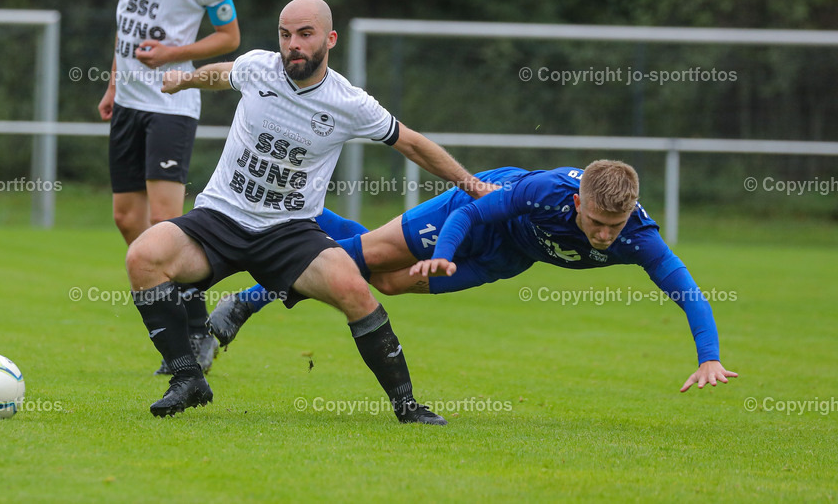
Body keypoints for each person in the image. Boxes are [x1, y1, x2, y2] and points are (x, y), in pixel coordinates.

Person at [125, 0, 497, 424]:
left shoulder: (349, 103)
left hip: (289, 232)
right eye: (285, 35)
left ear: (329, 39)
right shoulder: (258, 67)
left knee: (356, 291)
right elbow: (224, 73)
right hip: (220, 218)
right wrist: (185, 80)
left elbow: (411, 142)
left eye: (305, 34)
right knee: (143, 257)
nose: (293, 45)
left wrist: (471, 185)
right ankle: (187, 379)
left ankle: (407, 406)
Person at [210, 161, 738, 393]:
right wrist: (442, 253)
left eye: (613, 226)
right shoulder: (543, 192)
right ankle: (245, 301)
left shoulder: (638, 237)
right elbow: (468, 214)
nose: (603, 236)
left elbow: (686, 290)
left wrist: (708, 356)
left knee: (388, 282)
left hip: (509, 258)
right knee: (361, 257)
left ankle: (313, 218)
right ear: (578, 202)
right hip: (480, 209)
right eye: (596, 222)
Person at [98, 0, 240, 373]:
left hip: (172, 105)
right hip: (130, 102)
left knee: (166, 223)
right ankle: (177, 309)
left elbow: (230, 37)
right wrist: (115, 81)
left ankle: (194, 329)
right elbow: (124, 20)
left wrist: (176, 53)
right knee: (126, 220)